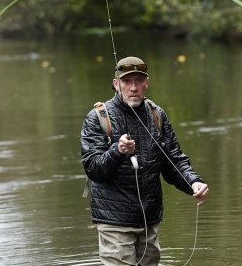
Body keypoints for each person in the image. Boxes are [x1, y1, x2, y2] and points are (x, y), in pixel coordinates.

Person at [80, 56, 209, 266]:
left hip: (149, 219)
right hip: (114, 221)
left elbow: (173, 160)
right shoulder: (98, 118)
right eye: (127, 81)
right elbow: (94, 169)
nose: (133, 87)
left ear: (146, 83)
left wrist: (193, 182)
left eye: (139, 81)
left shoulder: (157, 115)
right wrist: (117, 151)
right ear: (116, 84)